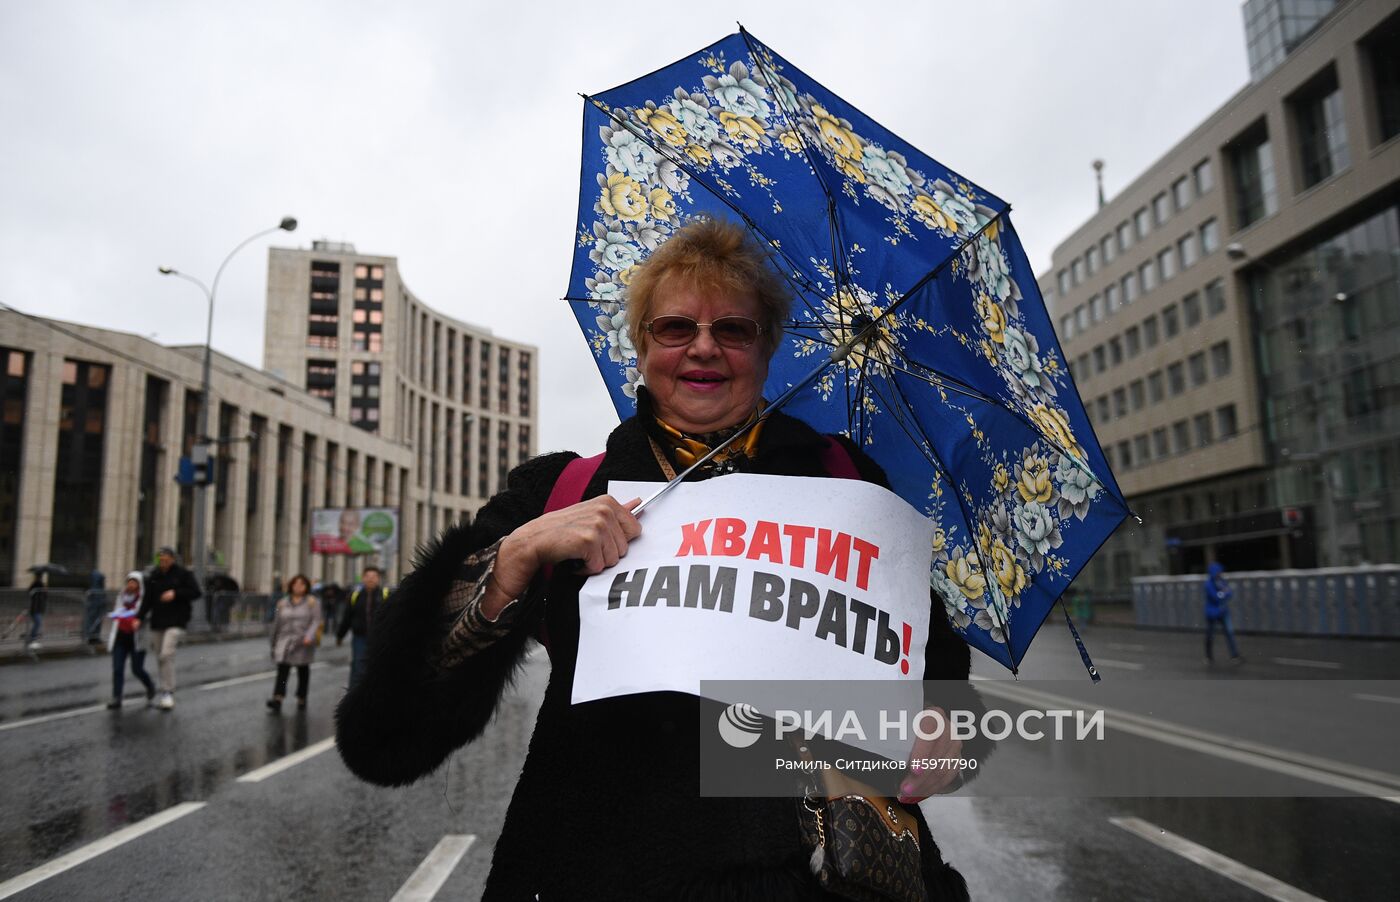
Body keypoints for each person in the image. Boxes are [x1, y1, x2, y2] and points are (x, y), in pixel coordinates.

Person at [335, 219, 985, 899]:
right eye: (675, 328)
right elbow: (386, 736)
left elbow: (932, 671)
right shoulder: (562, 491)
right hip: (599, 869)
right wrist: (517, 557)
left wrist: (944, 729)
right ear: (641, 348)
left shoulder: (847, 482)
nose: (703, 348)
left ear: (766, 349)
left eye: (733, 329)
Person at [140, 546, 201, 711]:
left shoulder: (183, 574)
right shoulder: (154, 576)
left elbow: (196, 592)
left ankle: (168, 691)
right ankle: (164, 689)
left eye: (166, 560)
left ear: (173, 559)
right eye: (161, 560)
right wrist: (138, 617)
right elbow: (147, 600)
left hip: (176, 621)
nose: (163, 563)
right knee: (160, 657)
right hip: (158, 621)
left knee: (167, 654)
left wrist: (175, 593)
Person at [267, 574, 321, 713]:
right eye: (295, 584)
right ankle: (278, 697)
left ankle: (301, 697)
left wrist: (309, 635)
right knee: (283, 671)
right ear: (291, 586)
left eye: (301, 584)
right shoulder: (282, 603)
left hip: (303, 641)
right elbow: (276, 622)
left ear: (306, 587)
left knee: (302, 671)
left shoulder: (311, 602)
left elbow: (316, 621)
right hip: (284, 641)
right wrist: (273, 641)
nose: (298, 587)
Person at [107, 571, 156, 709]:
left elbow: (147, 614)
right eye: (129, 581)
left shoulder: (144, 599)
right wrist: (117, 615)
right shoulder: (122, 596)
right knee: (117, 668)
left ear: (139, 584)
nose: (131, 585)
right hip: (121, 637)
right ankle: (117, 697)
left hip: (137, 639)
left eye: (134, 582)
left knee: (137, 669)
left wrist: (138, 618)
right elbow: (117, 610)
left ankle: (150, 685)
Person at [336, 566, 388, 688]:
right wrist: (340, 635)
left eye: (374, 577)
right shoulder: (355, 596)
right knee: (358, 667)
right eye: (368, 577)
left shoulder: (386, 595)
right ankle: (354, 696)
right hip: (360, 638)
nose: (371, 579)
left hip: (380, 638)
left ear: (378, 579)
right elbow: (347, 617)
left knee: (379, 667)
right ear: (363, 578)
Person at [1203, 560, 1242, 664]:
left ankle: (1234, 655)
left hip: (1223, 611)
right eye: (1219, 572)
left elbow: (1229, 593)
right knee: (1210, 635)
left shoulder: (1221, 581)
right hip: (1212, 613)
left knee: (1229, 633)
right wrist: (1223, 593)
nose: (1220, 573)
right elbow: (1216, 597)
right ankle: (1208, 656)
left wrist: (1222, 594)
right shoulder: (1209, 584)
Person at [83, 570, 107, 648]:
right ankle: (92, 636)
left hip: (96, 607)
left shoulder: (94, 589)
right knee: (93, 620)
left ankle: (93, 636)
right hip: (95, 607)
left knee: (94, 620)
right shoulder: (96, 590)